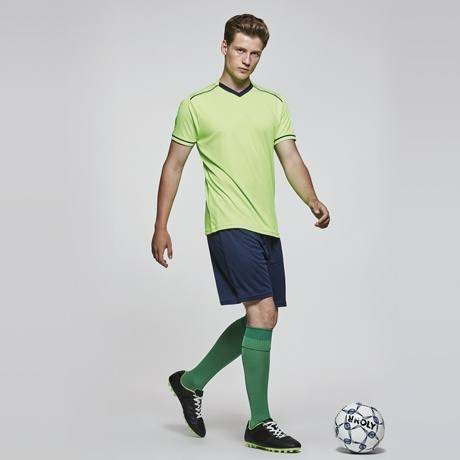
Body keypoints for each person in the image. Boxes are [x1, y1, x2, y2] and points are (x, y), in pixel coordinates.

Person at [152, 13, 330, 453]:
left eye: (255, 53)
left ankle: (190, 382)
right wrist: (160, 225)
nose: (247, 59)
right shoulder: (196, 105)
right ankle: (259, 423)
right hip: (227, 223)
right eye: (240, 50)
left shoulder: (273, 104)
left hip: (265, 225)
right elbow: (174, 166)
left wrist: (312, 199)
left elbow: (291, 157)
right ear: (224, 47)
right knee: (263, 312)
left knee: (263, 317)